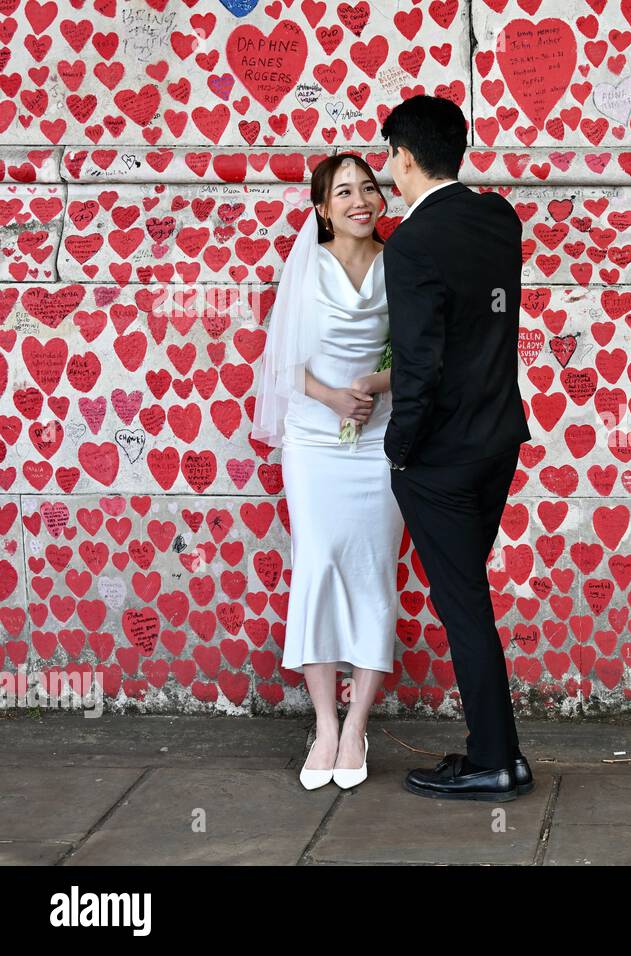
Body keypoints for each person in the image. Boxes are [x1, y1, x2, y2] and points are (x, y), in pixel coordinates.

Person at [380, 94, 534, 801]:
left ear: (406, 158)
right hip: (499, 441)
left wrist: (400, 450)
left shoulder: (411, 243)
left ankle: (495, 762)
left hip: (440, 458)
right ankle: (499, 753)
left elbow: (420, 364)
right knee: (469, 600)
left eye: (390, 159)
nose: (389, 172)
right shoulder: (500, 219)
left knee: (464, 605)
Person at [251, 152, 401, 791]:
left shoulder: (401, 264)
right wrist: (334, 397)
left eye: (368, 187)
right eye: (344, 191)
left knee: (373, 574)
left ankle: (359, 724)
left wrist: (375, 383)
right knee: (316, 570)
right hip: (314, 440)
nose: (360, 200)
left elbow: (428, 353)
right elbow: (282, 361)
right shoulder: (305, 265)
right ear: (321, 207)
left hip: (380, 440)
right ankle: (324, 725)